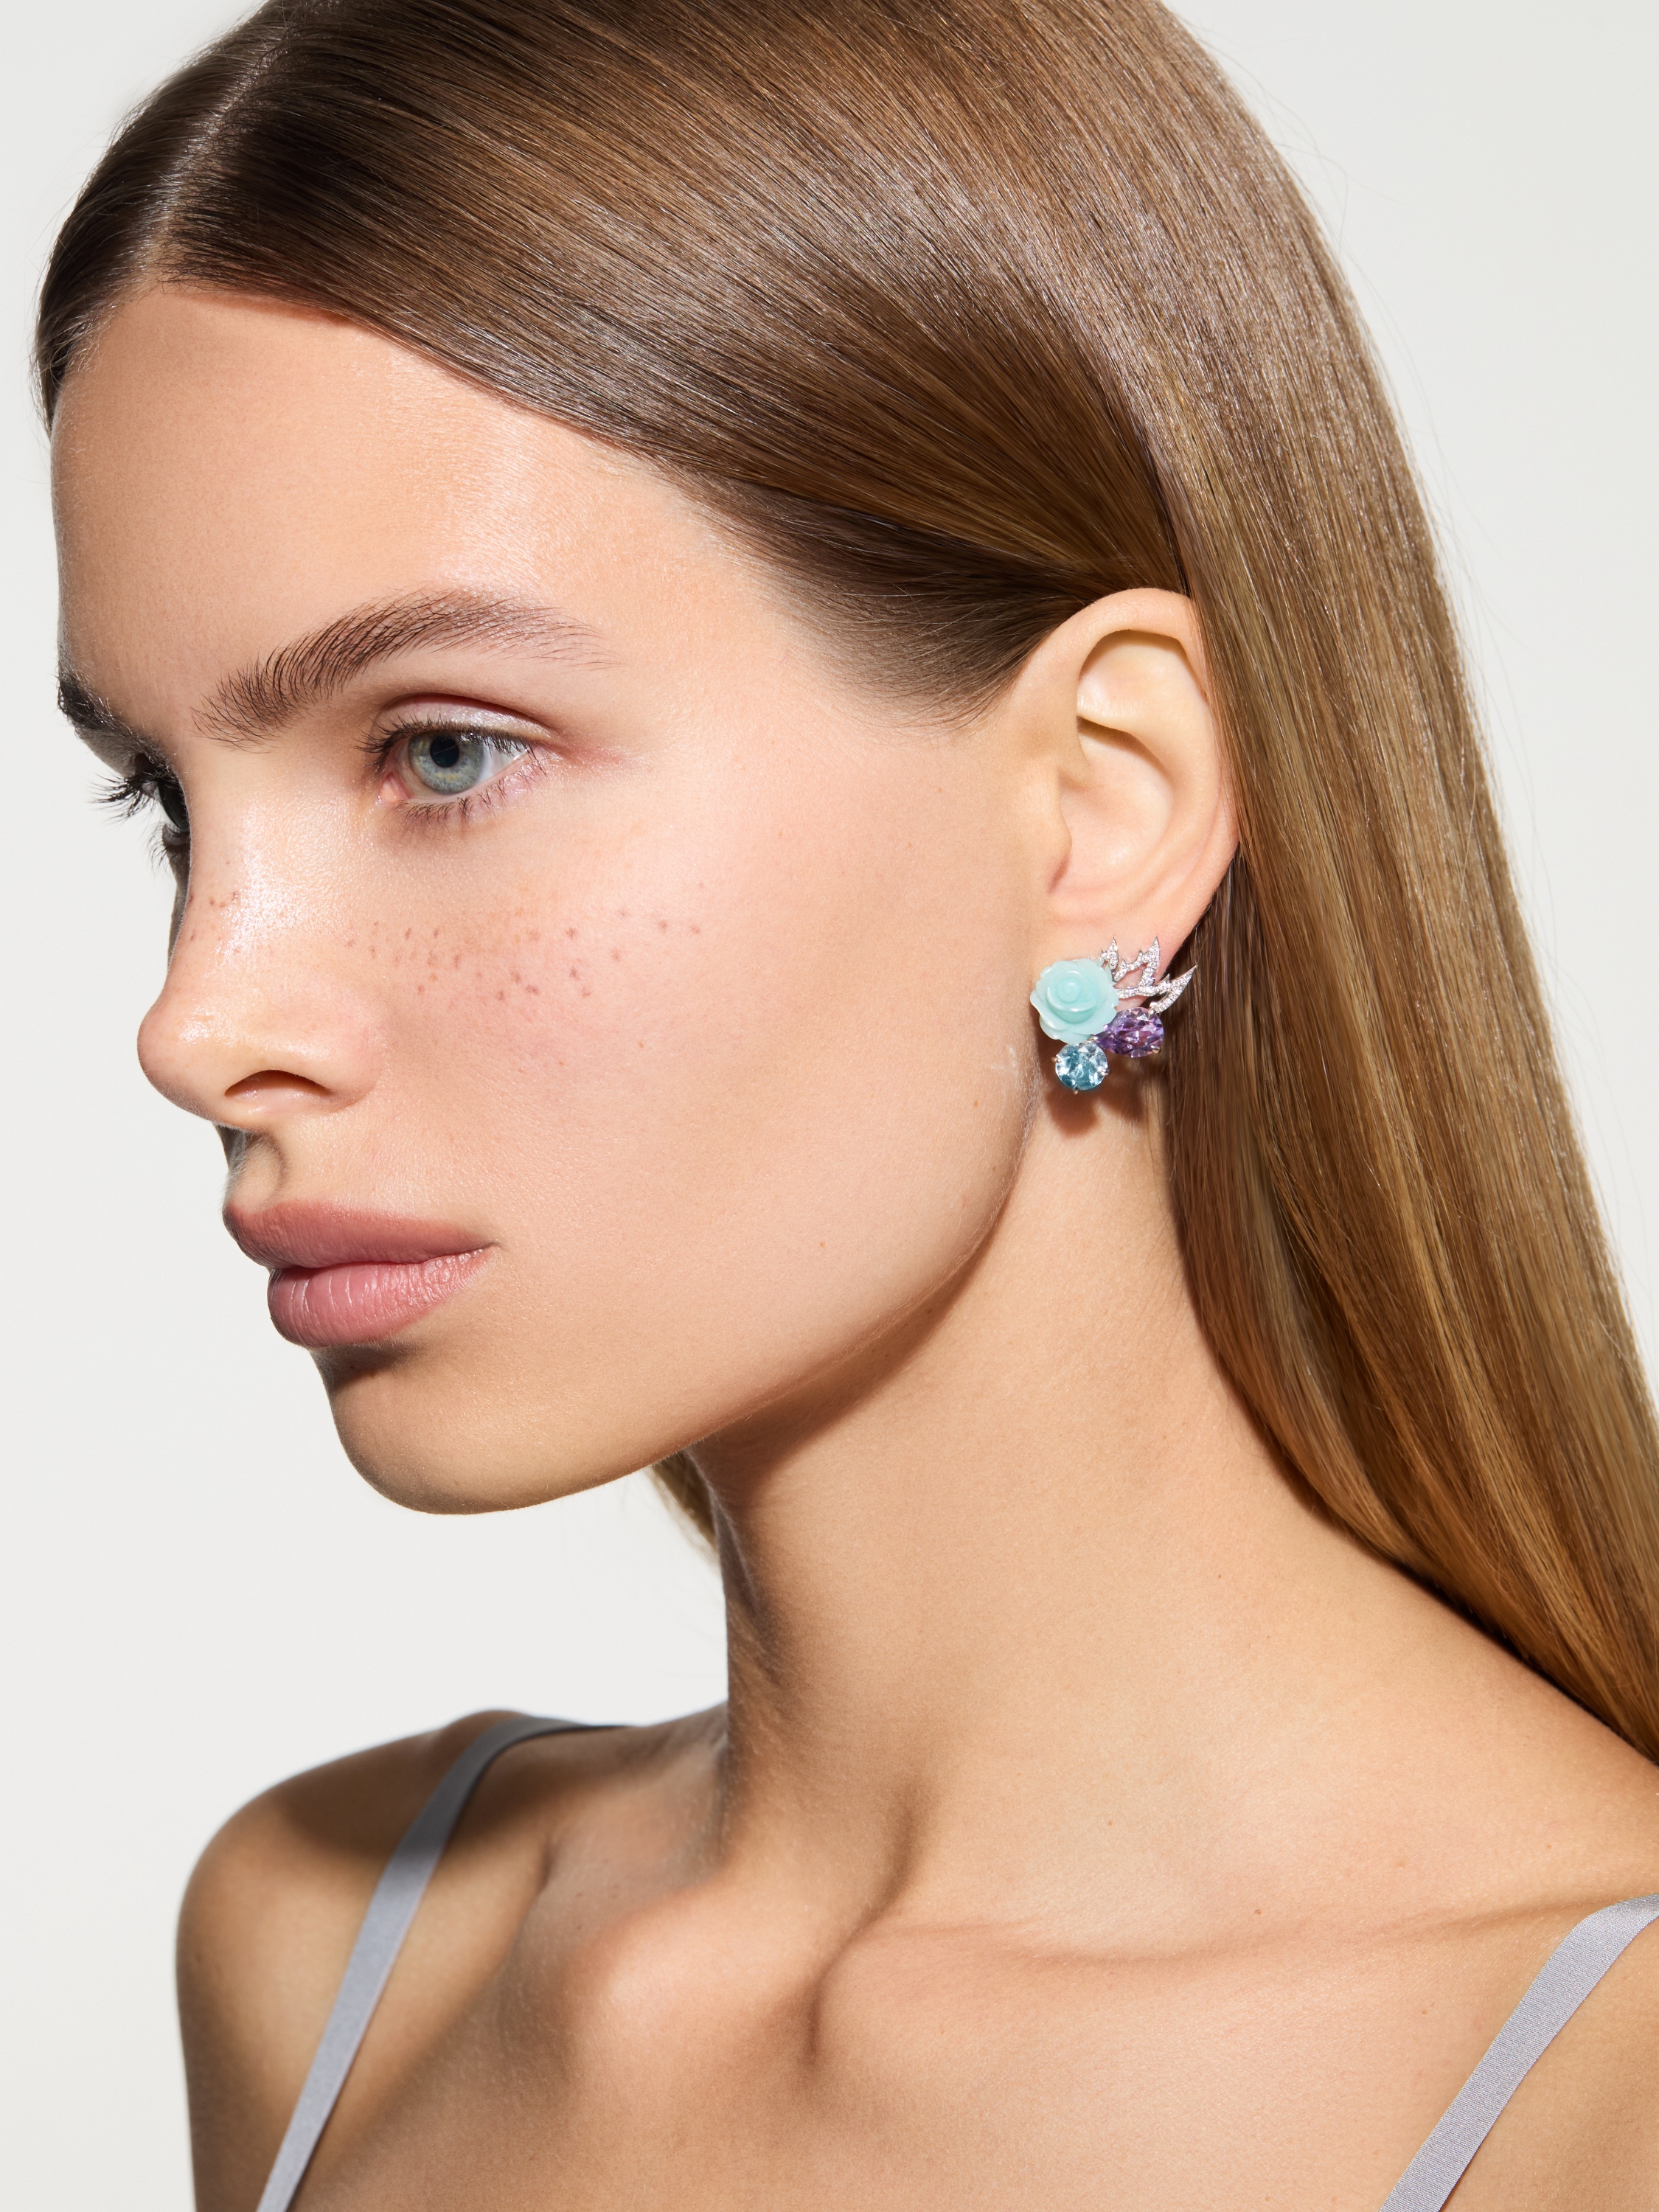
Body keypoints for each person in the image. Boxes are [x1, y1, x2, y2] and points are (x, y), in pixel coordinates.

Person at [39, 0, 1659, 2204]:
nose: (198, 1019)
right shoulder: (335, 1959)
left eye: (443, 752)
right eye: (168, 801)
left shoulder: (1598, 2097)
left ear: (1097, 804)